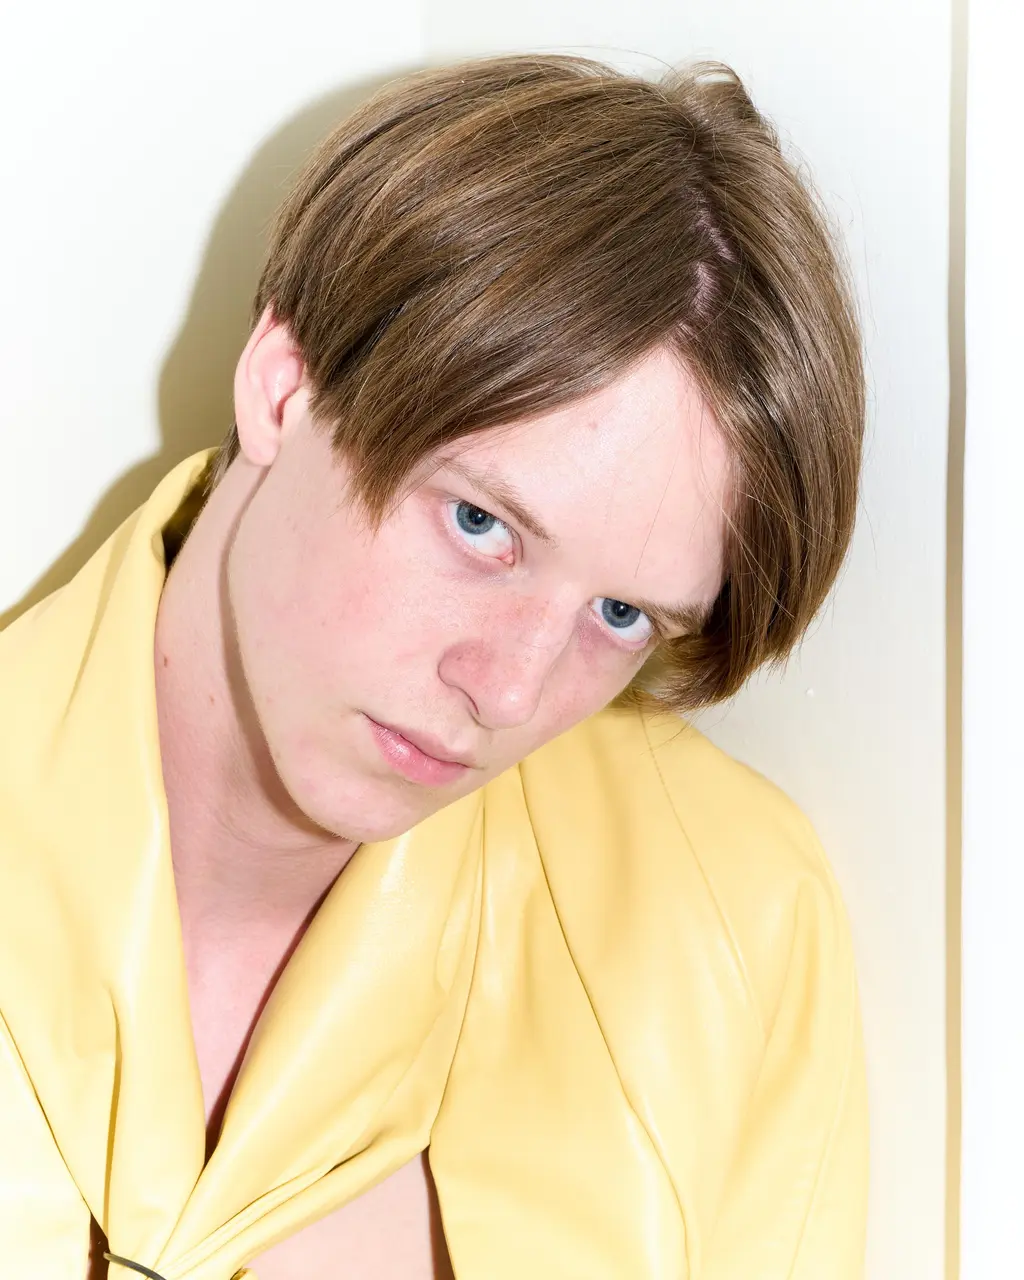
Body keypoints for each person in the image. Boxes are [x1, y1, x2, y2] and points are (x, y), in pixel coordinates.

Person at [0, 52, 868, 1280]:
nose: (507, 692)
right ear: (285, 387)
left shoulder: (725, 921)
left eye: (620, 613)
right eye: (479, 524)